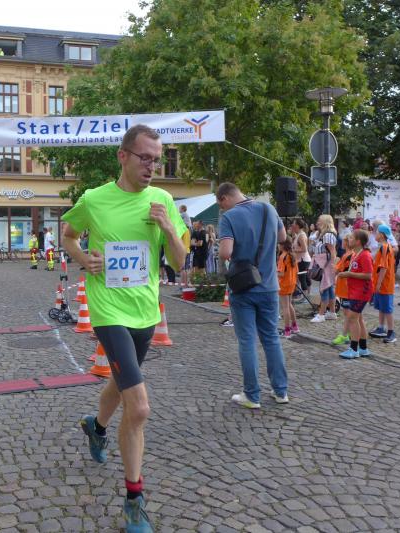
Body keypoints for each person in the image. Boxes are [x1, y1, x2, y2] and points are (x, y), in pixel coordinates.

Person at [62, 124, 188, 533]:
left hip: (145, 314)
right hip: (108, 311)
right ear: (123, 156)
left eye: (157, 160)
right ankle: (135, 500)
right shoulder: (94, 199)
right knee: (140, 407)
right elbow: (68, 234)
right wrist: (84, 258)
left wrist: (167, 228)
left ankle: (95, 427)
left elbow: (180, 261)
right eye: (145, 158)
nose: (152, 166)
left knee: (120, 382)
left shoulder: (162, 200)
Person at [217, 181, 289, 409]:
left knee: (247, 340)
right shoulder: (269, 208)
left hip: (243, 287)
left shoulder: (229, 217)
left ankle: (252, 395)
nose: (222, 209)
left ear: (224, 198)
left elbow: (226, 252)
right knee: (271, 338)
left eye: (221, 205)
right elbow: (282, 237)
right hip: (269, 286)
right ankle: (281, 391)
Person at [337, 229, 373, 359]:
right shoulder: (355, 254)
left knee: (352, 318)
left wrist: (349, 274)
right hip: (354, 291)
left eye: (351, 238)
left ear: (358, 241)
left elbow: (368, 275)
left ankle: (354, 349)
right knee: (358, 319)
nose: (349, 240)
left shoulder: (365, 255)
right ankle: (363, 348)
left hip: (361, 292)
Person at [368, 225, 396, 343]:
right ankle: (381, 328)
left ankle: (391, 332)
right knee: (381, 307)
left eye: (377, 232)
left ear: (382, 235)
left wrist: (378, 283)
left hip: (385, 283)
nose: (375, 234)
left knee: (387, 309)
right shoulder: (384, 247)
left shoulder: (385, 247)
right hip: (381, 282)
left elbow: (384, 267)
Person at [310, 214, 338, 323]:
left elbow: (333, 252)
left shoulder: (327, 235)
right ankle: (332, 312)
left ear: (325, 222)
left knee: (324, 288)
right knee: (329, 288)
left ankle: (321, 314)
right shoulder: (324, 235)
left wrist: (332, 266)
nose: (317, 222)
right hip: (325, 264)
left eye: (319, 220)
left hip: (325, 265)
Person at [332, 233, 354, 346]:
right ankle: (349, 333)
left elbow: (337, 270)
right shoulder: (349, 254)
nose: (341, 243)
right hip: (346, 287)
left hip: (346, 288)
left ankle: (346, 334)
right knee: (348, 312)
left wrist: (334, 265)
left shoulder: (347, 255)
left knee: (347, 312)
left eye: (344, 241)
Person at [277, 236, 298, 338]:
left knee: (285, 307)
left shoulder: (283, 256)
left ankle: (287, 330)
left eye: (279, 243)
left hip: (284, 284)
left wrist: (273, 271)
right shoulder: (292, 255)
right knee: (289, 305)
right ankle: (295, 326)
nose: (278, 245)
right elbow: (296, 271)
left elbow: (281, 273)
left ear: (282, 245)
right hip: (292, 283)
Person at [289, 218, 311, 296]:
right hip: (301, 260)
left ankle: (305, 296)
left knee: (302, 278)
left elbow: (304, 249)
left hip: (303, 260)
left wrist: (294, 251)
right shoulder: (298, 234)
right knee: (304, 277)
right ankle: (306, 295)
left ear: (297, 225)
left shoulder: (301, 235)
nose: (292, 225)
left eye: (294, 223)